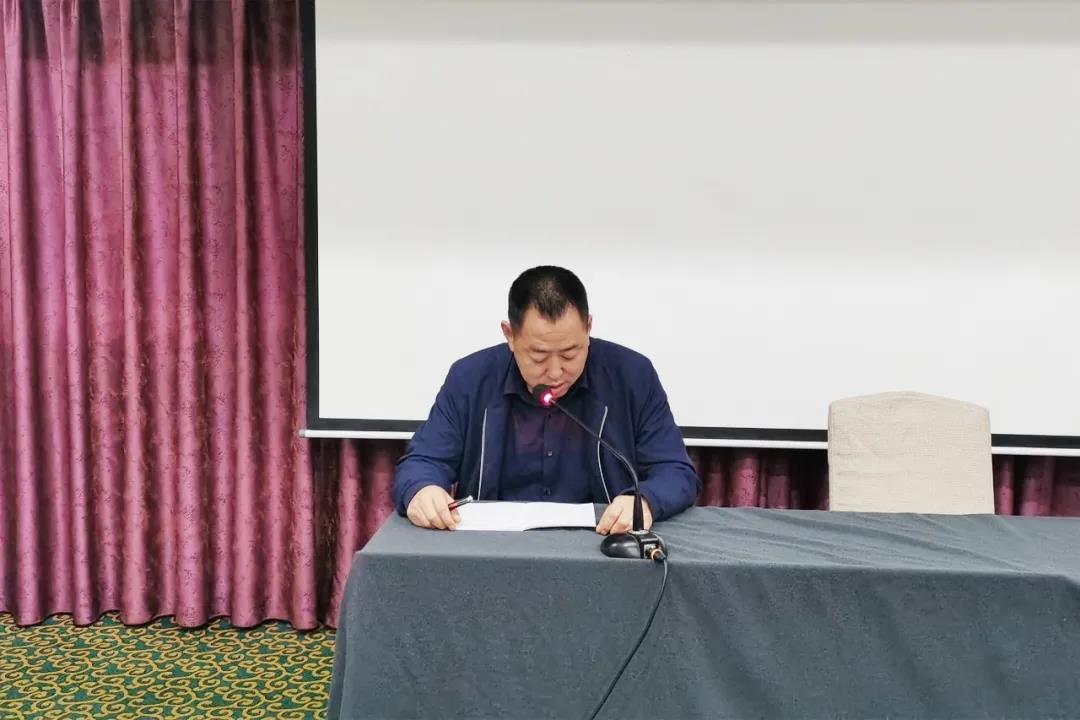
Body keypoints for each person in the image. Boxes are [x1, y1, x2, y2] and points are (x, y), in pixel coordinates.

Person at [393, 265, 700, 534]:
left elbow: (675, 471)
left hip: (603, 546)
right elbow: (423, 461)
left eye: (570, 353)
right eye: (539, 356)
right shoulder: (470, 378)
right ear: (510, 335)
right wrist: (422, 489)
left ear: (588, 327)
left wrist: (644, 500)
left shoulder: (632, 375)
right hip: (492, 549)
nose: (555, 372)